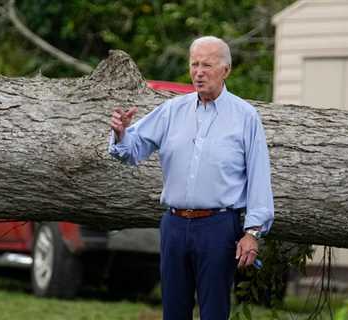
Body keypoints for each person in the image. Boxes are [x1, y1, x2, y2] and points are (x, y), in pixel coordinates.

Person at [108, 36, 274, 320]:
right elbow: (130, 152)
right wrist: (121, 134)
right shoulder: (172, 110)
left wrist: (253, 232)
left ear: (226, 70)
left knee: (213, 312)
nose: (198, 72)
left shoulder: (245, 117)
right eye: (194, 64)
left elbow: (259, 176)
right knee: (173, 311)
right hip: (173, 225)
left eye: (207, 65)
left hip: (218, 226)